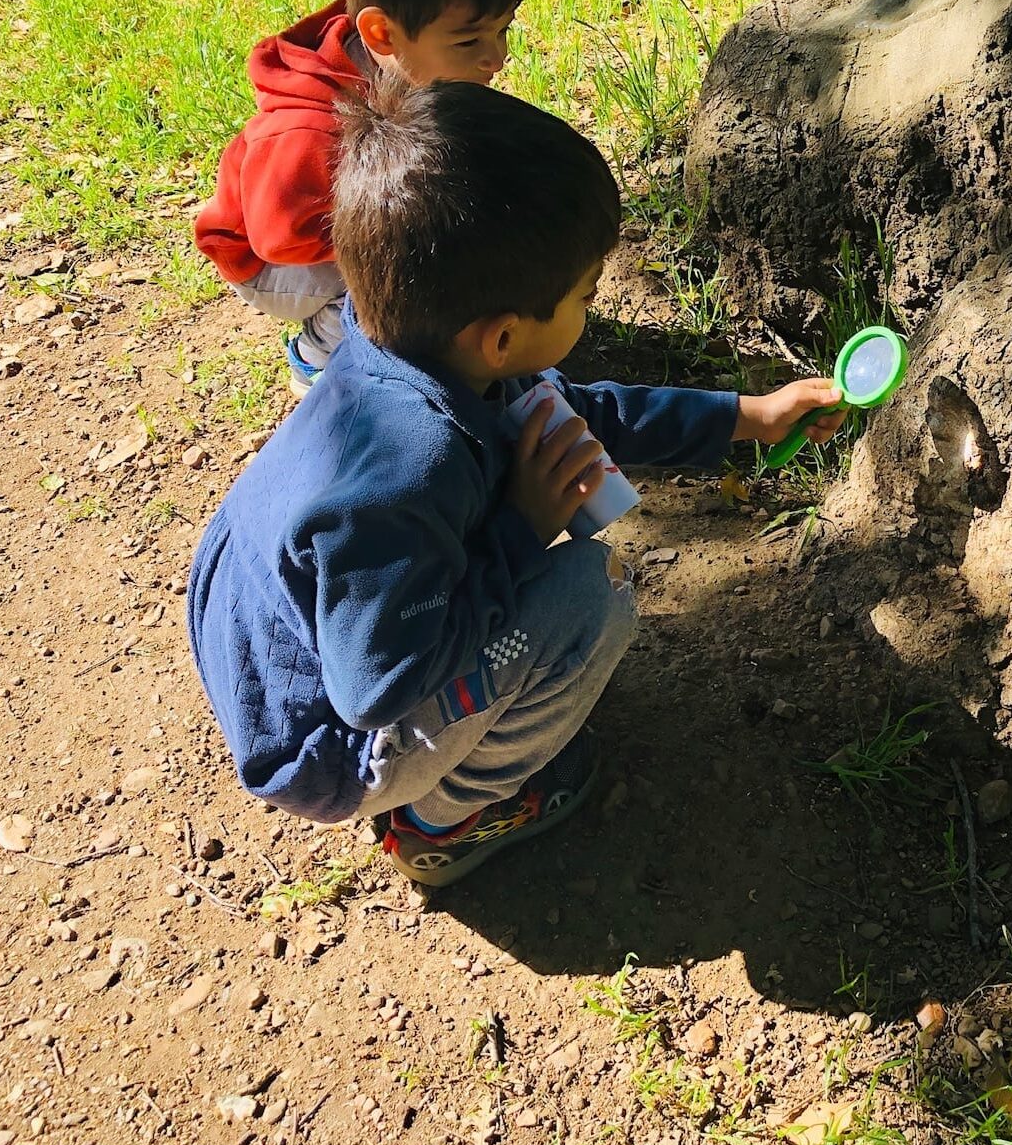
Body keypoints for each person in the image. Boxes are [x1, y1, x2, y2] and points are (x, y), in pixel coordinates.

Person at [186, 76, 843, 886]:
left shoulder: (409, 333)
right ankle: (442, 820)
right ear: (500, 335)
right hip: (326, 738)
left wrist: (749, 414)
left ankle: (464, 742)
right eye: (584, 296)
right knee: (588, 597)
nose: (591, 312)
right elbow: (375, 686)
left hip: (304, 617)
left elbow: (585, 411)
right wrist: (518, 532)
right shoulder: (407, 472)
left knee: (549, 454)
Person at [192, 0, 524, 393]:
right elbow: (277, 236)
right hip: (274, 261)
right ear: (380, 32)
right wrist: (404, 226)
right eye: (469, 42)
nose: (497, 57)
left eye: (505, 29)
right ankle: (318, 352)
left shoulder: (409, 52)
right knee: (410, 263)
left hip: (341, 215)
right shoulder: (306, 130)